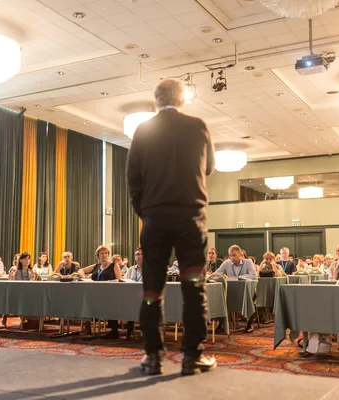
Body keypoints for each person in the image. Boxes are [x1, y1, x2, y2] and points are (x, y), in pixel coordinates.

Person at [126, 78, 217, 376]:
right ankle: (192, 356)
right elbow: (209, 167)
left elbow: (133, 178)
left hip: (154, 219)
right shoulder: (198, 126)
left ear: (156, 100)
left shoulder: (143, 130)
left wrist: (146, 212)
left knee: (152, 288)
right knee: (194, 288)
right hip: (191, 218)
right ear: (183, 100)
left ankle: (153, 357)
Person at [78, 245, 123, 339]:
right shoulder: (96, 266)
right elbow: (80, 270)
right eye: (102, 253)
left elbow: (120, 280)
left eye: (106, 253)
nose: (104, 255)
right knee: (85, 300)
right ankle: (87, 326)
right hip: (95, 294)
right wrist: (85, 278)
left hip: (109, 294)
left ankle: (114, 330)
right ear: (98, 255)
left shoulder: (114, 266)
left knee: (111, 303)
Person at [211, 245, 257, 333]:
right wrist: (211, 277)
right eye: (230, 255)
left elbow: (254, 276)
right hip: (230, 291)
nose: (232, 258)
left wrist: (238, 277)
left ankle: (250, 323)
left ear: (240, 254)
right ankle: (222, 324)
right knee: (220, 297)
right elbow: (216, 274)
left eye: (234, 255)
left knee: (248, 297)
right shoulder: (226, 263)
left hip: (246, 290)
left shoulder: (248, 262)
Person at [123, 248, 144, 340]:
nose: (140, 256)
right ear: (135, 257)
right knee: (129, 302)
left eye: (142, 254)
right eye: (137, 254)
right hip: (132, 296)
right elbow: (125, 281)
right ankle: (129, 331)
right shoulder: (131, 269)